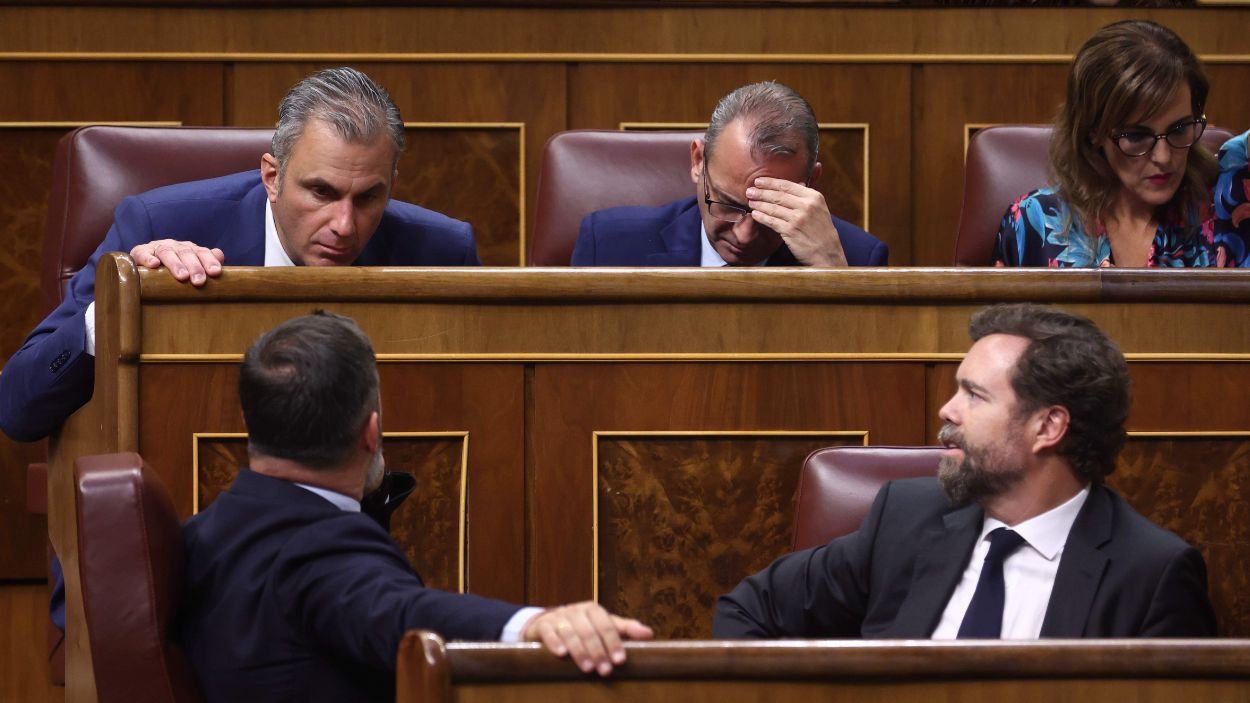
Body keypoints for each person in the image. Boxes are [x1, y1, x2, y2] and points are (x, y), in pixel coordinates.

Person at [177, 312, 653, 702]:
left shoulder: (201, 533)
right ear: (371, 432)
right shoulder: (322, 546)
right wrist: (532, 624)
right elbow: (398, 611)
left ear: (251, 423)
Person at [0, 66, 480, 445]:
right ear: (272, 177)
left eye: (369, 197)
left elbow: (478, 415)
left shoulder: (441, 251)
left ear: (392, 185)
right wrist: (123, 301)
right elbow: (17, 410)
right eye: (321, 192)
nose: (344, 225)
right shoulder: (157, 226)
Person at [714, 303, 1216, 639]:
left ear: (1048, 426)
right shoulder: (904, 519)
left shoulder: (1151, 574)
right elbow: (749, 609)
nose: (947, 410)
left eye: (974, 395)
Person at [993, 20, 1249, 268]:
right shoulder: (1033, 220)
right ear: (1094, 131)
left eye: (1180, 129)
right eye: (1136, 136)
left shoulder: (1229, 202)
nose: (1163, 157)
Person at [571, 81, 887, 267]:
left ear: (811, 184)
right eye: (728, 205)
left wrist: (834, 275)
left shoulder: (857, 259)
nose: (744, 236)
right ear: (698, 161)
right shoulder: (609, 245)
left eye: (769, 212)